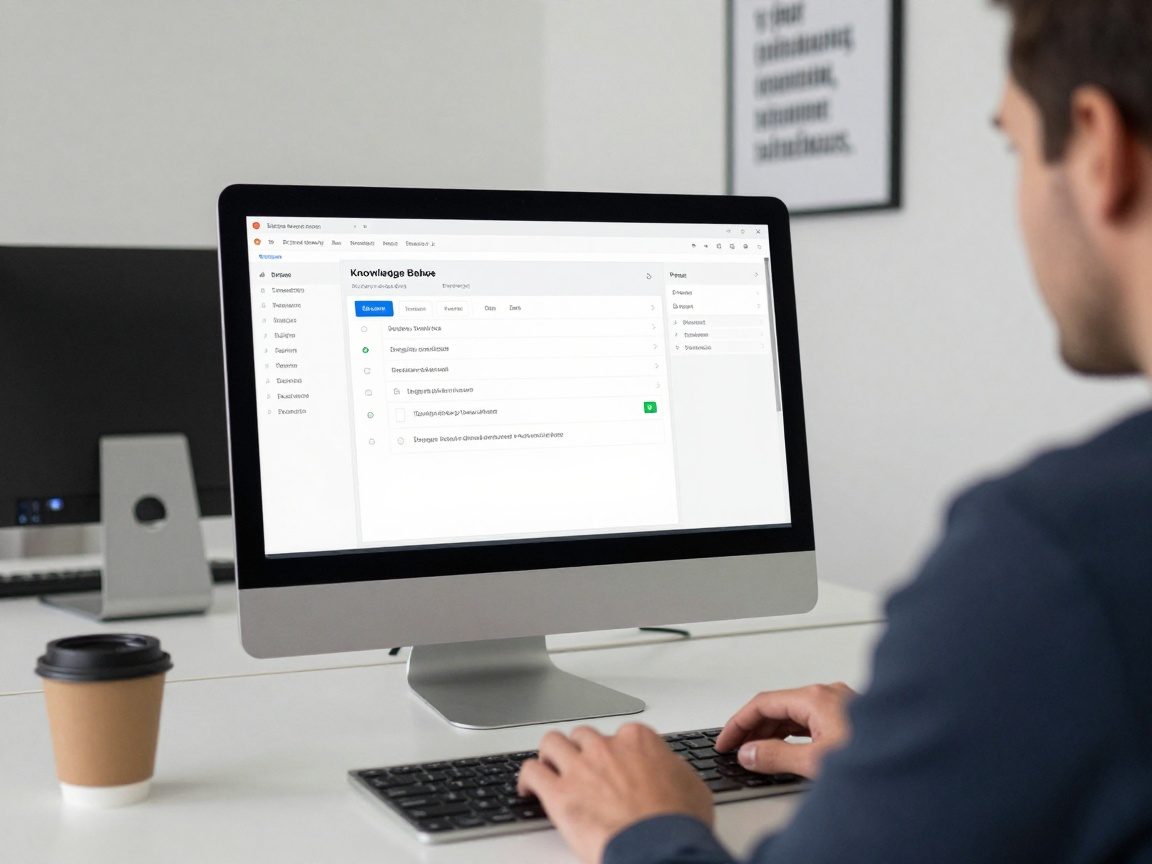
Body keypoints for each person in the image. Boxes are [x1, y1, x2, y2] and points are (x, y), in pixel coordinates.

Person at [516, 1, 1152, 861]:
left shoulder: (1051, 565)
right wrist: (942, 754)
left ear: (1095, 143)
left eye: (1013, 147)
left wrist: (645, 828)